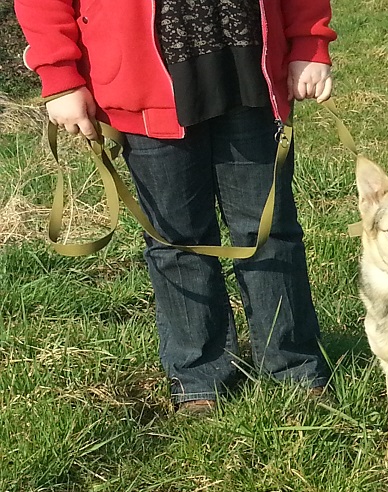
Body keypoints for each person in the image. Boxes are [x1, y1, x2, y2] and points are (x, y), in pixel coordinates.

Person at [15, 0, 336, 414]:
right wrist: (59, 76)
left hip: (251, 70)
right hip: (139, 80)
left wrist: (309, 42)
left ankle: (293, 368)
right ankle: (198, 377)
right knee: (177, 241)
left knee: (270, 231)